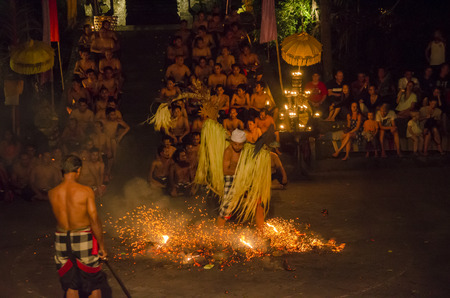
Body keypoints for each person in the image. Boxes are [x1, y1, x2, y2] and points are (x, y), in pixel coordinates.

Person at [48, 155, 108, 297]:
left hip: (61, 239)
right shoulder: (86, 191)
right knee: (94, 285)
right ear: (79, 170)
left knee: (71, 284)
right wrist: (101, 246)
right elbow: (94, 219)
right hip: (82, 237)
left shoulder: (52, 193)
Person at [216, 129, 265, 229]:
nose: (237, 147)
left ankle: (261, 230)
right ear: (231, 142)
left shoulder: (247, 150)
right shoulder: (228, 151)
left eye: (240, 144)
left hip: (245, 177)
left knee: (258, 201)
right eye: (235, 144)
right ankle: (219, 231)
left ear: (244, 143)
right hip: (231, 177)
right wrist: (241, 173)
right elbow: (225, 171)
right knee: (227, 205)